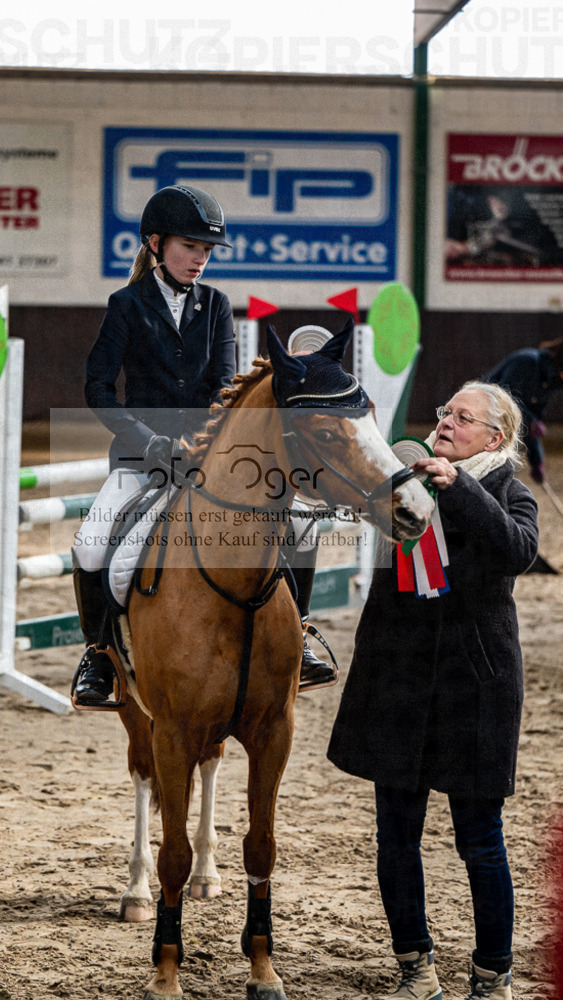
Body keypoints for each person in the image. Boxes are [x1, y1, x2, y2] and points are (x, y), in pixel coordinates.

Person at [71, 184, 335, 708]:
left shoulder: (216, 305)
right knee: (90, 543)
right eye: (190, 246)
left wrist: (206, 444)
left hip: (211, 458)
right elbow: (98, 388)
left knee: (300, 525)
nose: (200, 258)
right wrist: (148, 444)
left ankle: (300, 634)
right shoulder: (125, 305)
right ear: (154, 242)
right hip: (141, 460)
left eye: (207, 250)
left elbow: (224, 385)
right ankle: (99, 654)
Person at [327, 382, 538, 1000]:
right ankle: (415, 970)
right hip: (399, 682)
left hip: (475, 689)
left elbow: (518, 550)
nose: (446, 421)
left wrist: (459, 485)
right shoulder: (402, 481)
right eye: (444, 411)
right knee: (396, 832)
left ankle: (491, 975)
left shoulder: (506, 488)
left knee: (480, 838)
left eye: (462, 417)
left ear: (492, 438)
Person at [484, 337, 563, 485]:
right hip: (485, 417)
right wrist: (530, 420)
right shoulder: (527, 362)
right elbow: (504, 399)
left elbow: (531, 423)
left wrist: (536, 461)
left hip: (505, 425)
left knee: (509, 468)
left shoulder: (551, 382)